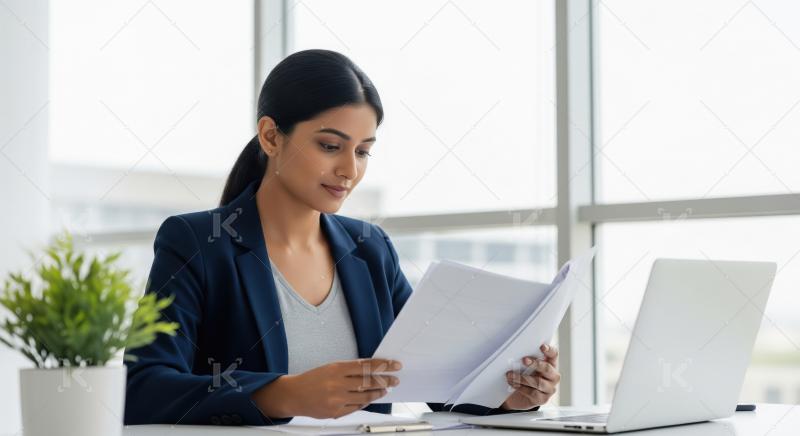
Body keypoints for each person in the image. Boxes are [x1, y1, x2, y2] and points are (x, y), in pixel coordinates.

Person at [124, 49, 561, 426]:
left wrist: (507, 397)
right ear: (271, 136)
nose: (350, 170)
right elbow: (142, 387)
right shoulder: (198, 242)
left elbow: (435, 378)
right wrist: (286, 394)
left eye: (363, 150)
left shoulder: (370, 249)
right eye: (330, 146)